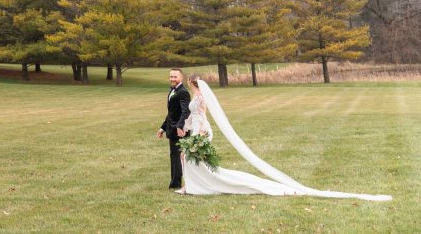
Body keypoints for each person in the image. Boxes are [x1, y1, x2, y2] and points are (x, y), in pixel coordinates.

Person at [176, 75, 392, 201]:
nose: (190, 86)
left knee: (192, 157)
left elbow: (202, 116)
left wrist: (201, 133)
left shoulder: (201, 98)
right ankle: (192, 185)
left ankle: (196, 186)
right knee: (188, 157)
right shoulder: (196, 97)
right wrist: (186, 129)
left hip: (200, 131)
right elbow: (192, 115)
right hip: (194, 130)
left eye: (191, 83)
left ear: (195, 85)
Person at [156, 68, 190, 190]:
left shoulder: (183, 92)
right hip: (172, 129)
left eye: (175, 77)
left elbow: (186, 111)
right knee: (174, 156)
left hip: (179, 131)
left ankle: (176, 183)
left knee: (178, 157)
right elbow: (171, 113)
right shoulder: (172, 90)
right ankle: (175, 182)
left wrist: (179, 127)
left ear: (181, 77)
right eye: (171, 77)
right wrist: (162, 128)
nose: (172, 79)